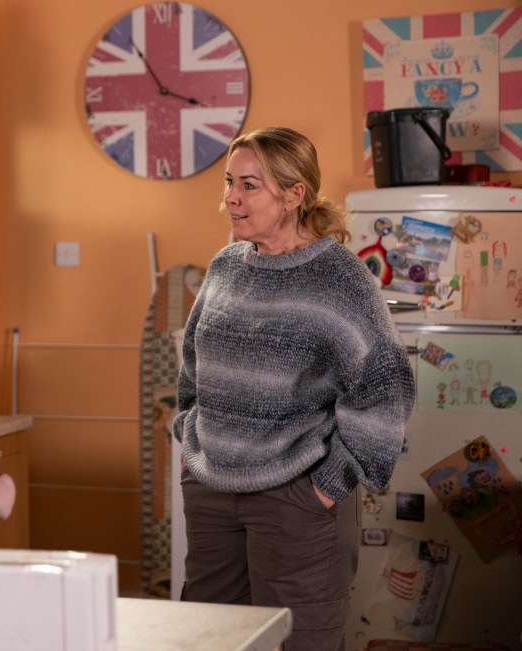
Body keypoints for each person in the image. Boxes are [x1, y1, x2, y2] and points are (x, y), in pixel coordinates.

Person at [173, 127, 415, 650]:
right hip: (213, 492)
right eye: (229, 183)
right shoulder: (225, 266)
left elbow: (384, 389)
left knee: (297, 642)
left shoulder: (339, 279)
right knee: (209, 640)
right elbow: (193, 364)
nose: (231, 198)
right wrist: (191, 436)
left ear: (294, 194)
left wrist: (327, 485)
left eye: (250, 185)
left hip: (295, 499)